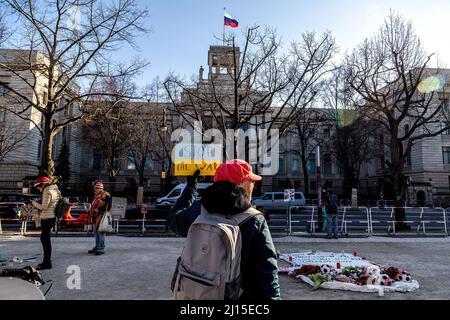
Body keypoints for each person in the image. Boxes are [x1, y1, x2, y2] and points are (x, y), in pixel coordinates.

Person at [167, 160, 281, 301]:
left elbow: (173, 220)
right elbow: (267, 273)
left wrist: (191, 187)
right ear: (242, 185)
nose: (253, 185)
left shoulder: (199, 209)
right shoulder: (254, 219)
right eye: (251, 181)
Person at [31, 177, 61, 270]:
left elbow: (44, 207)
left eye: (39, 187)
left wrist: (34, 202)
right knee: (45, 240)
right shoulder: (55, 190)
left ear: (42, 185)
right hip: (51, 217)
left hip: (47, 218)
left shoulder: (47, 191)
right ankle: (46, 261)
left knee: (45, 241)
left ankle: (47, 263)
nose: (39, 189)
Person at [88, 181, 112, 255]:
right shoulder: (97, 196)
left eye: (96, 189)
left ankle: (101, 248)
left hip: (102, 217)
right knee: (96, 233)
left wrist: (99, 210)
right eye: (95, 188)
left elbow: (109, 206)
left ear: (100, 189)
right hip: (95, 217)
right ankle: (97, 246)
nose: (95, 190)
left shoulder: (106, 195)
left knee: (101, 233)